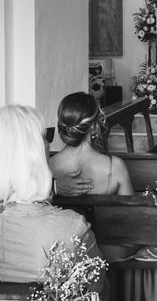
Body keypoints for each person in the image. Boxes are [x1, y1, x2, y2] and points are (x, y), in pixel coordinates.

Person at [0, 104, 104, 289]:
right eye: (45, 137)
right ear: (33, 155)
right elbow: (99, 289)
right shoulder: (72, 229)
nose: (49, 144)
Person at [49, 92, 136, 262]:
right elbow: (130, 216)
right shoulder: (114, 166)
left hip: (64, 248)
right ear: (94, 125)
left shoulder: (48, 166)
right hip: (108, 247)